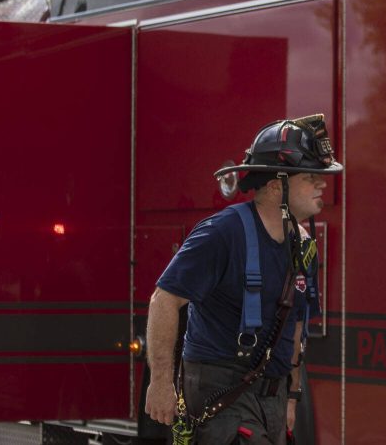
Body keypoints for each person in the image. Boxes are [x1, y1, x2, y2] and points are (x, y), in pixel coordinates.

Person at [145, 114, 342, 444]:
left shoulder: (304, 245)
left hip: (273, 396)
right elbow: (164, 300)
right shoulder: (221, 234)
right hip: (221, 390)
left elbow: (294, 329)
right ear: (277, 185)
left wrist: (291, 399)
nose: (323, 184)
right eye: (311, 177)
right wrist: (161, 382)